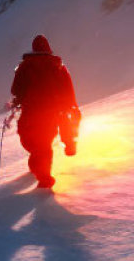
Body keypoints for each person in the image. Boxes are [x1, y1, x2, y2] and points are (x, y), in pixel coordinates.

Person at [9, 34, 81, 189]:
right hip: (52, 113)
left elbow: (15, 90)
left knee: (31, 141)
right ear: (48, 48)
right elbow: (68, 91)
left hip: (31, 112)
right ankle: (42, 169)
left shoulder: (25, 66)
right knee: (43, 144)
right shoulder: (58, 66)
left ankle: (43, 178)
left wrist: (20, 100)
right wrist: (70, 107)